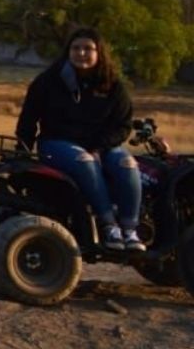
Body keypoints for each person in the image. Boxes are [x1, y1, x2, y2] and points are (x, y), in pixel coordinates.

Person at [16, 27, 141, 251]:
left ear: (99, 52)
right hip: (56, 144)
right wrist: (23, 149)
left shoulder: (113, 85)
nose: (81, 53)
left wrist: (100, 146)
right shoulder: (48, 81)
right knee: (85, 161)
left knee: (128, 163)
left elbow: (123, 125)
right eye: (76, 48)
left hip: (103, 145)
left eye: (88, 48)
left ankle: (130, 229)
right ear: (68, 51)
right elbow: (28, 118)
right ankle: (108, 225)